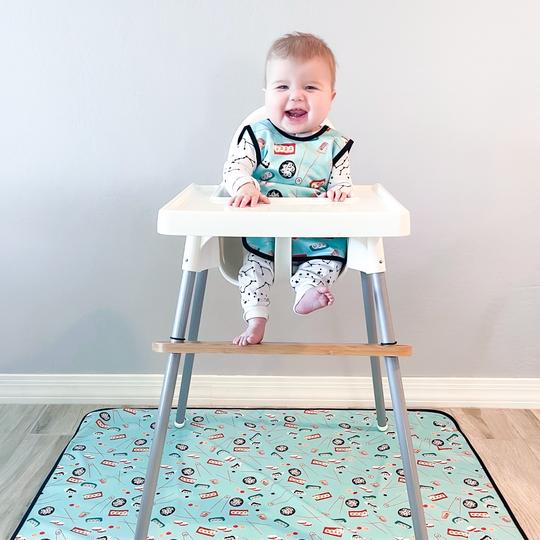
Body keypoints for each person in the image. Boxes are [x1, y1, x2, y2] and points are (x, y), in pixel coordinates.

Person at [222, 32, 353, 346]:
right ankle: (255, 319)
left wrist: (340, 191)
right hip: (264, 237)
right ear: (266, 94)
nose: (295, 96)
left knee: (327, 264)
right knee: (252, 273)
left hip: (316, 240)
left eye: (310, 87)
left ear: (331, 97)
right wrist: (245, 185)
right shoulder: (257, 136)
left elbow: (343, 181)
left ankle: (306, 293)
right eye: (282, 87)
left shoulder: (334, 145)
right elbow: (234, 168)